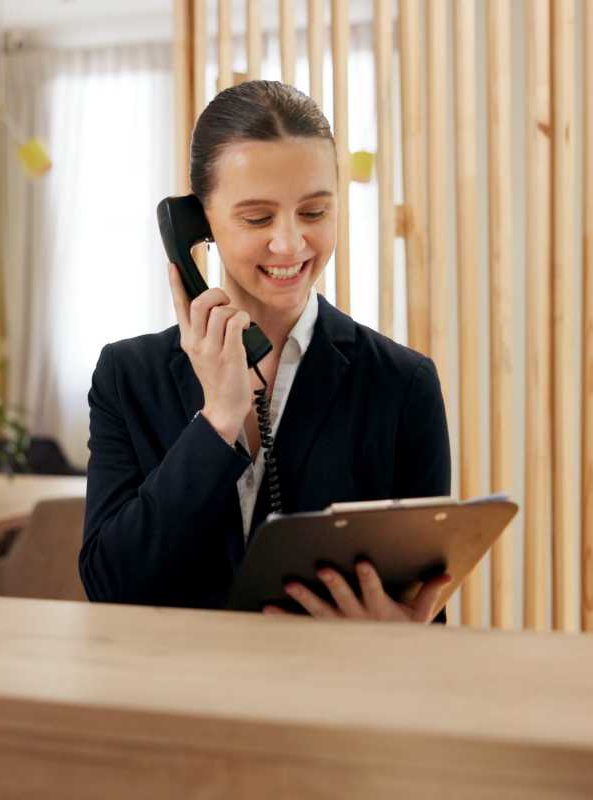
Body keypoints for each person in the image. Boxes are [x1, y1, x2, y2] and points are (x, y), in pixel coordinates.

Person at [80, 80, 453, 622]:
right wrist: (219, 418)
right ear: (196, 223)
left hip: (330, 697)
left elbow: (424, 605)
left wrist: (402, 636)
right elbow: (109, 587)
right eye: (257, 218)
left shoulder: (402, 383)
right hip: (172, 694)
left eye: (314, 212)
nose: (290, 244)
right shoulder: (127, 376)